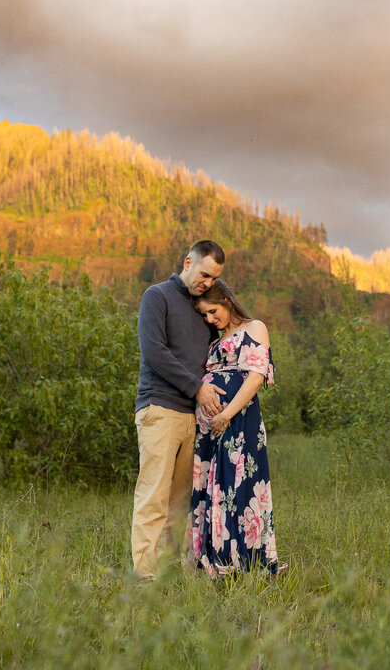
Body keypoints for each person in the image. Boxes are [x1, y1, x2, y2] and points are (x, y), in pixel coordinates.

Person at [131, 240, 227, 581]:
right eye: (204, 274)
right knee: (153, 495)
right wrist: (198, 388)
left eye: (213, 278)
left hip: (192, 417)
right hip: (159, 408)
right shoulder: (156, 296)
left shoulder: (204, 309)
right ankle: (144, 577)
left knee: (180, 503)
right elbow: (155, 352)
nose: (207, 282)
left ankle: (168, 570)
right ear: (188, 261)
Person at [189, 279, 284, 576]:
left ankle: (246, 562)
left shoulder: (254, 328)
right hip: (209, 428)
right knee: (211, 487)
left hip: (238, 421)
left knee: (237, 485)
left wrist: (225, 415)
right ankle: (214, 558)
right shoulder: (215, 340)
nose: (210, 319)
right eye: (204, 315)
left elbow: (255, 377)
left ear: (228, 302)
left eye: (213, 312)